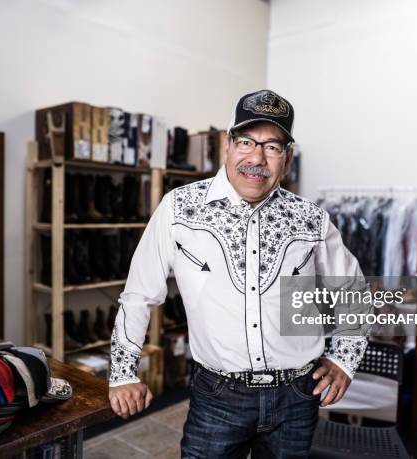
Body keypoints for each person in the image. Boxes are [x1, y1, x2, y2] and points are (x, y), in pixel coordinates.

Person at [108, 89, 368, 458]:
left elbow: (353, 290)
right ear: (227, 146)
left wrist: (344, 359)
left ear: (287, 158)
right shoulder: (179, 209)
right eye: (246, 141)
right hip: (217, 396)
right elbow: (139, 294)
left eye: (273, 147)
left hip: (296, 397)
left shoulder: (312, 219)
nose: (257, 158)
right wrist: (123, 373)